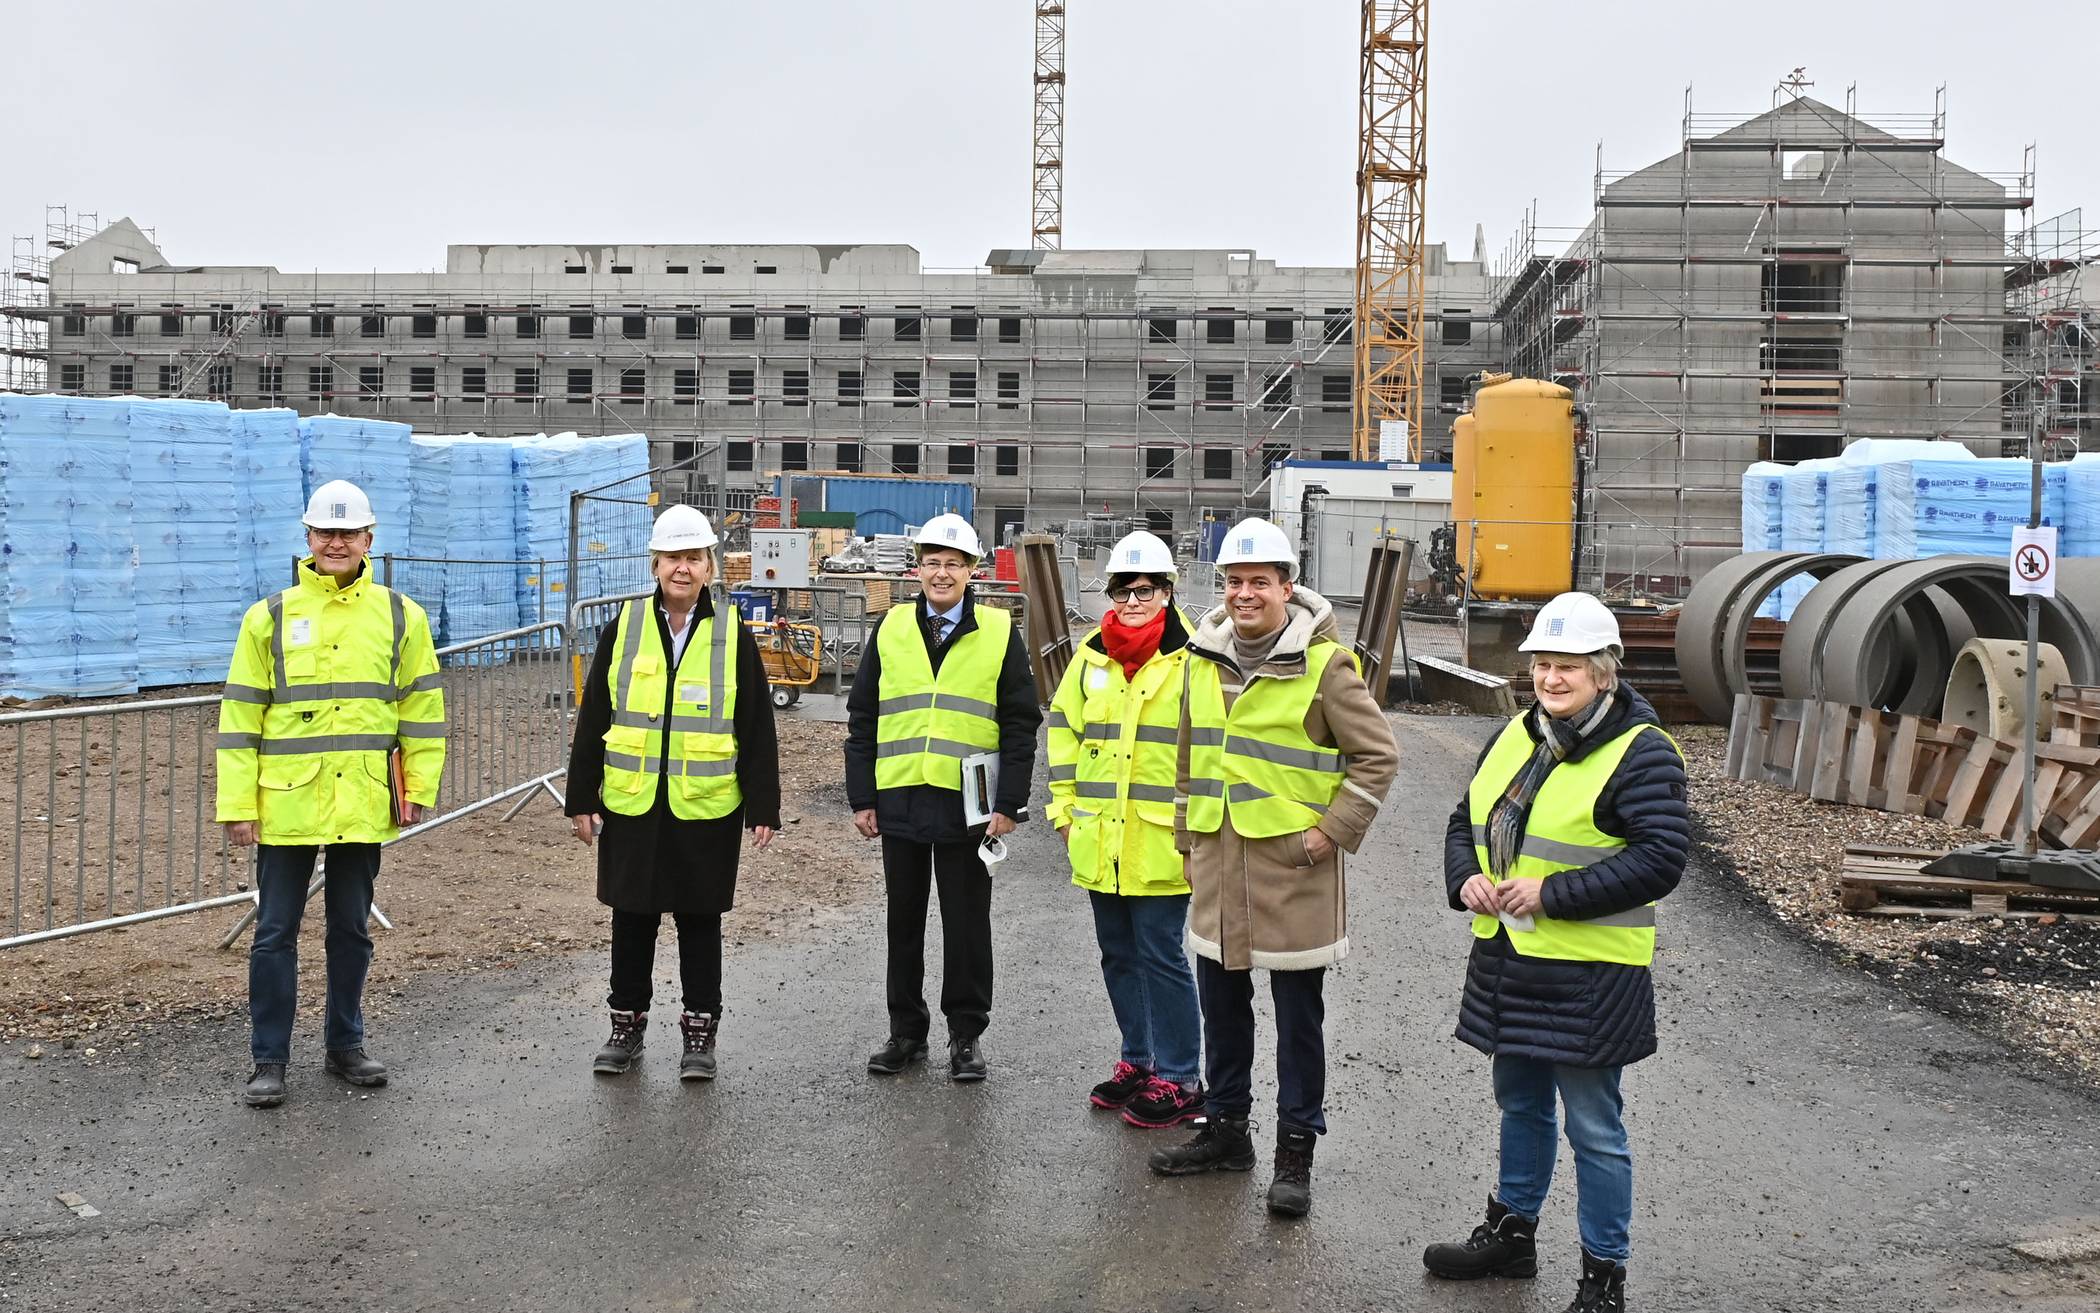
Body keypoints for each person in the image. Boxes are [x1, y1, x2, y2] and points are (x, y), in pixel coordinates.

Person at [1421, 591, 1689, 1313]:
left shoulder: (1643, 751)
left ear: (1604, 672)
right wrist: (1465, 878)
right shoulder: (1519, 734)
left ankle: (1605, 1278)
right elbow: (1462, 820)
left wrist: (1551, 894)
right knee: (1519, 1101)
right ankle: (1512, 1233)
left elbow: (1661, 857)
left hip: (1591, 972)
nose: (1551, 677)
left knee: (1594, 1126)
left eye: (1568, 665)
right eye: (1542, 663)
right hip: (1511, 959)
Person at [1149, 517, 1398, 1217]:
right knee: (1221, 1011)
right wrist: (1182, 836)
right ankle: (1227, 1130)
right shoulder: (1203, 657)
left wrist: (1329, 834)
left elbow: (1377, 755)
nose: (1245, 594)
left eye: (1260, 581)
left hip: (1293, 866)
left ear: (1288, 586)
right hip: (1217, 859)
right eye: (1234, 582)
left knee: (1298, 1020)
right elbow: (1190, 755)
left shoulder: (1325, 664)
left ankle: (1296, 1148)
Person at [216, 479, 447, 1109]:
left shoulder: (402, 616)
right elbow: (240, 716)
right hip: (286, 801)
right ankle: (269, 1060)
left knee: (350, 930)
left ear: (369, 538)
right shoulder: (268, 617)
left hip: (365, 800)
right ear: (308, 539)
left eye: (349, 533)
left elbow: (421, 710)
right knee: (274, 932)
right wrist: (237, 805)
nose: (337, 542)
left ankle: (346, 1044)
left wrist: (419, 786)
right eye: (326, 532)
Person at [565, 504, 780, 1080]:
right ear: (655, 564)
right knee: (631, 918)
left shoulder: (732, 634)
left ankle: (699, 1034)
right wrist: (580, 796)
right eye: (672, 559)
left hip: (705, 805)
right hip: (633, 801)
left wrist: (764, 804)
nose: (682, 569)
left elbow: (756, 724)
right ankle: (626, 1028)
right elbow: (595, 717)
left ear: (709, 566)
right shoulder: (626, 627)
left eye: (693, 558)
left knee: (699, 920)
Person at [845, 513, 1041, 1081]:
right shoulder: (892, 627)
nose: (941, 573)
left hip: (969, 803)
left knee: (966, 923)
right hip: (901, 794)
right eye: (932, 562)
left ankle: (965, 1035)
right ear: (918, 569)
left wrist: (1009, 803)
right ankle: (906, 1032)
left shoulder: (1001, 631)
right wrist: (862, 796)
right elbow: (863, 716)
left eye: (953, 563)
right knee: (902, 923)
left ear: (972, 570)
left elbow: (1020, 722)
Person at [1045, 530, 1204, 1130]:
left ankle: (1182, 1076)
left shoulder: (1193, 659)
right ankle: (1138, 1061)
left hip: (1162, 840)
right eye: (1122, 589)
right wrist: (1062, 810)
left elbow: (1207, 749)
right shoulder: (1091, 657)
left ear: (1168, 592)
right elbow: (1062, 730)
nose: (1133, 600)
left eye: (1146, 589)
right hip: (1099, 838)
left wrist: (1198, 830)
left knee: (1161, 957)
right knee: (1118, 955)